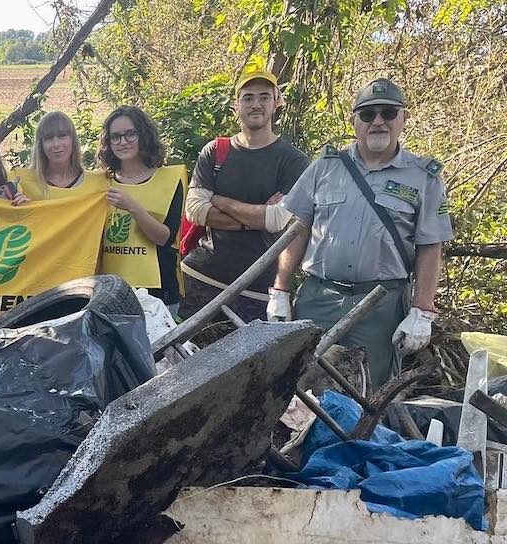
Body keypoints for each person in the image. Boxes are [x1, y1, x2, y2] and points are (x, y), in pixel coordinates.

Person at [270, 78, 453, 386]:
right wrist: (280, 291)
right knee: (297, 388)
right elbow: (298, 230)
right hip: (319, 298)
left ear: (403, 118)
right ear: (353, 120)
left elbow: (430, 247)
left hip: (380, 307)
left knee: (368, 391)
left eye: (388, 113)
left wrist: (422, 311)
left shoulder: (424, 178)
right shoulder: (325, 167)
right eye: (368, 114)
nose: (378, 121)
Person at [181, 62, 309, 321]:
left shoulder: (293, 160)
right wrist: (255, 218)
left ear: (276, 103)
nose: (256, 104)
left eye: (264, 97)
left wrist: (216, 200)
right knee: (185, 356)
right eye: (248, 98)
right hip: (200, 277)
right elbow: (194, 209)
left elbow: (277, 219)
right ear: (236, 106)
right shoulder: (215, 151)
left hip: (259, 286)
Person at [96, 106, 187, 314]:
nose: (123, 142)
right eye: (115, 137)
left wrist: (133, 207)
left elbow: (165, 237)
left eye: (130, 134)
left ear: (143, 135)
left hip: (159, 293)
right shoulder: (99, 184)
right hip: (111, 293)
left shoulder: (169, 180)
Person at [14, 110, 107, 200]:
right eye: (49, 138)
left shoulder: (97, 184)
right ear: (40, 145)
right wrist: (20, 209)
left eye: (62, 136)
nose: (56, 144)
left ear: (72, 140)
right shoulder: (23, 184)